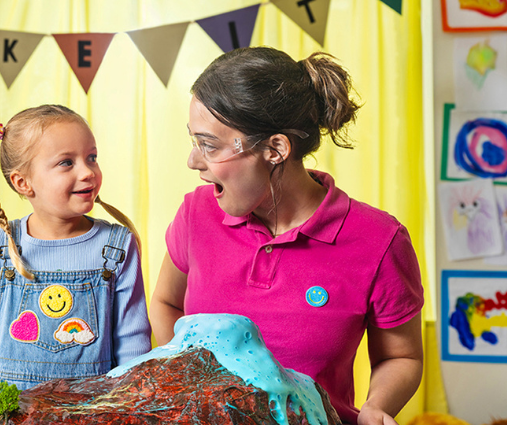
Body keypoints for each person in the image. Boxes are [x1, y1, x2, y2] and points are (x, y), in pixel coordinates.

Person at [150, 47, 424, 425]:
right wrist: (179, 384)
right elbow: (167, 303)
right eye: (195, 141)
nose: (194, 160)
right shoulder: (196, 214)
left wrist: (377, 407)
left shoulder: (379, 240)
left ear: (275, 149)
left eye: (209, 145)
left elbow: (401, 356)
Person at [0, 105, 152, 422]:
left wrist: (133, 413)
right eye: (66, 162)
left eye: (92, 157)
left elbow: (132, 343)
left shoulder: (117, 246)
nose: (87, 172)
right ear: (23, 183)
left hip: (89, 416)